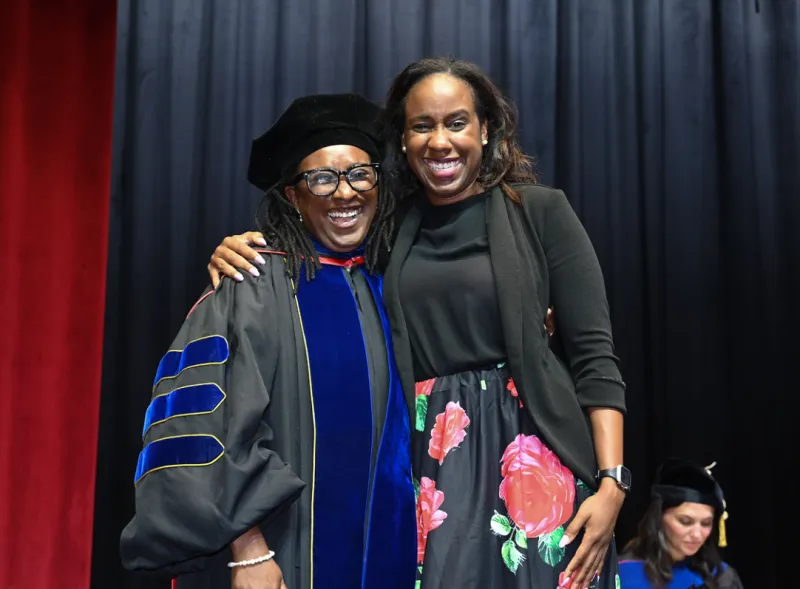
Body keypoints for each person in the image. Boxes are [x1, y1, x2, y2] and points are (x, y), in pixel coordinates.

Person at [207, 57, 628, 589]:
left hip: (534, 456)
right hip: (430, 462)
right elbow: (320, 233)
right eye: (422, 126)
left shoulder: (540, 213)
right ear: (402, 141)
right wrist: (239, 245)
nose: (440, 141)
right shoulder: (389, 224)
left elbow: (596, 357)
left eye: (456, 122)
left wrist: (612, 484)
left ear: (486, 129)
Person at [119, 93, 417, 589]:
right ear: (292, 197)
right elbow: (204, 429)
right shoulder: (252, 283)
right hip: (278, 558)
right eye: (321, 178)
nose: (345, 194)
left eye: (360, 174)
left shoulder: (397, 283)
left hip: (390, 557)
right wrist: (248, 552)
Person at [618, 459, 743, 589]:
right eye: (685, 522)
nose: (697, 534)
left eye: (706, 523)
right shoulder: (623, 572)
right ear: (659, 517)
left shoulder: (721, 577)